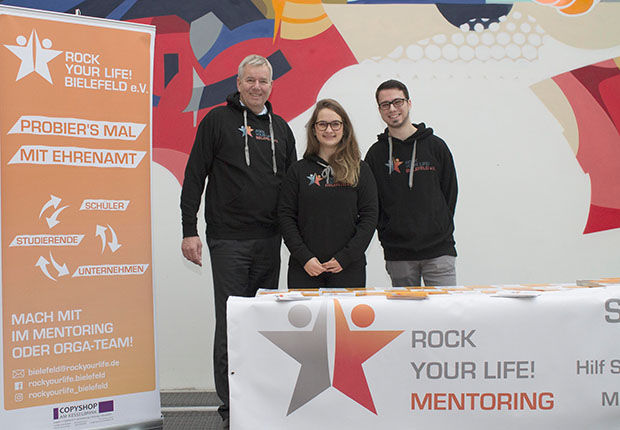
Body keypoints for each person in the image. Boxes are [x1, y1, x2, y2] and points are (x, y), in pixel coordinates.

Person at [180, 54, 297, 429]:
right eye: (250, 80)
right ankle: (232, 411)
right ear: (238, 82)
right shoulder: (217, 120)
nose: (257, 87)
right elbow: (195, 175)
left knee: (263, 325)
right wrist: (188, 229)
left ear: (272, 85)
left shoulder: (282, 129)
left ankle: (260, 404)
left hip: (269, 242)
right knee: (231, 325)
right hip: (228, 241)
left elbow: (293, 189)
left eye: (263, 81)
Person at [365, 79, 458, 287]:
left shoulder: (436, 146)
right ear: (379, 110)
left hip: (439, 252)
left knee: (445, 315)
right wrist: (388, 233)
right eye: (385, 104)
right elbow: (372, 203)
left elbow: (449, 192)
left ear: (409, 103)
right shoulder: (375, 154)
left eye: (398, 102)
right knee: (407, 317)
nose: (392, 109)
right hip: (399, 254)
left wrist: (438, 226)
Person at [279, 99, 377, 288]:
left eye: (335, 124)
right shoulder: (297, 171)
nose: (329, 130)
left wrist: (345, 258)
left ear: (344, 128)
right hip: (305, 269)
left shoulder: (361, 170)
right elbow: (285, 217)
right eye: (322, 124)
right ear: (314, 129)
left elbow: (369, 217)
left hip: (348, 268)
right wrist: (305, 258)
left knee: (344, 319)